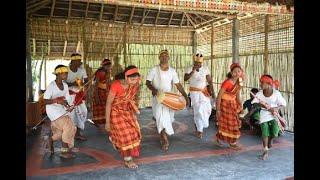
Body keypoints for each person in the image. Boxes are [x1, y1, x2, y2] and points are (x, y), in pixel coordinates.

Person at [146, 50, 189, 151]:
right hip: (158, 98)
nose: (164, 57)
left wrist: (185, 95)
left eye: (166, 56)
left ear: (168, 58)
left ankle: (162, 133)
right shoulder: (154, 70)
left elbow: (178, 84)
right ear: (159, 58)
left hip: (169, 99)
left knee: (168, 119)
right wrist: (154, 90)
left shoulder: (172, 71)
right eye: (162, 56)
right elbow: (147, 82)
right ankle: (164, 139)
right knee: (161, 118)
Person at [105, 65, 141, 169]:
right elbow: (108, 103)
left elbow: (133, 97)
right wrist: (107, 122)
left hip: (127, 111)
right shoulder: (116, 85)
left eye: (136, 79)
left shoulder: (135, 84)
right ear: (126, 77)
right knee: (126, 136)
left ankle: (115, 139)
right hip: (116, 112)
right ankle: (128, 160)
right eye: (132, 79)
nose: (134, 81)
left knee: (134, 132)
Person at [44, 65, 77, 159]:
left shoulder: (65, 85)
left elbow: (67, 99)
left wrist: (69, 106)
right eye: (64, 73)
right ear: (58, 74)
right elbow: (45, 101)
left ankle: (50, 140)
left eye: (67, 73)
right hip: (52, 110)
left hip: (61, 109)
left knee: (66, 131)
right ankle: (64, 151)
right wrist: (57, 101)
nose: (67, 74)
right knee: (68, 125)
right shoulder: (52, 85)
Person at [252, 75, 286, 160]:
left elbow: (283, 104)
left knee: (275, 132)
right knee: (265, 132)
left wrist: (274, 108)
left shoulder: (276, 93)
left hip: (274, 114)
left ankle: (270, 140)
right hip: (264, 113)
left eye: (262, 83)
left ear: (269, 84)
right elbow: (254, 103)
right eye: (261, 82)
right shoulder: (259, 93)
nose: (260, 84)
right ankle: (265, 151)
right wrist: (261, 104)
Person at [184, 53, 215, 138]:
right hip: (194, 93)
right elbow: (185, 78)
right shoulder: (189, 68)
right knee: (198, 111)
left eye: (199, 63)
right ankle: (199, 130)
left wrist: (212, 92)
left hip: (204, 92)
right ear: (194, 62)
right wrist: (193, 71)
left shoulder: (205, 68)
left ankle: (200, 126)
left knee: (207, 108)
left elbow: (209, 81)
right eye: (196, 63)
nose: (198, 64)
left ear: (202, 63)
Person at [214, 63, 244, 150]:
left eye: (239, 71)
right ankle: (232, 143)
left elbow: (237, 96)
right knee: (232, 124)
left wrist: (240, 106)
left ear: (241, 72)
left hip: (233, 105)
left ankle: (219, 138)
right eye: (235, 71)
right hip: (225, 105)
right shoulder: (227, 82)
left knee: (228, 124)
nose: (237, 73)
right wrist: (218, 110)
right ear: (231, 73)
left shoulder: (239, 82)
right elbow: (219, 96)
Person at [66, 53, 89, 141]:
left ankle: (78, 132)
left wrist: (84, 85)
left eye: (80, 61)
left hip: (79, 94)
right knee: (71, 115)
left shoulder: (82, 70)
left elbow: (86, 81)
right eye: (78, 61)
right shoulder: (66, 70)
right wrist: (72, 84)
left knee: (84, 112)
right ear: (73, 61)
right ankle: (72, 134)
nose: (80, 63)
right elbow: (61, 83)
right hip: (68, 95)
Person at [92, 58, 112, 129]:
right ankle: (97, 122)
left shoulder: (108, 72)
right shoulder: (100, 73)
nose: (109, 67)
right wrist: (97, 96)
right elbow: (96, 84)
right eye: (108, 66)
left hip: (105, 93)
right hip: (99, 92)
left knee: (105, 107)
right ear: (104, 66)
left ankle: (105, 122)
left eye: (110, 66)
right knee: (99, 108)